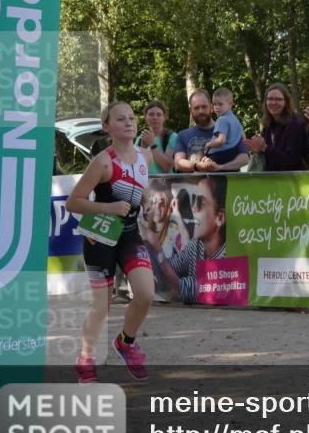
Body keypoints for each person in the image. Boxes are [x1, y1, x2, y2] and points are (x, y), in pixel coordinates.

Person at [66, 101, 155, 383]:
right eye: (120, 119)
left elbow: (139, 191)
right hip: (100, 237)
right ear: (107, 127)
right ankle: (86, 359)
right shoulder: (103, 162)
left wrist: (147, 203)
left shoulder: (146, 156)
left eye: (131, 118)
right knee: (101, 307)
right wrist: (109, 208)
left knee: (145, 293)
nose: (129, 122)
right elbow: (73, 203)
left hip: (129, 234)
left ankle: (126, 342)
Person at [148, 177, 227, 305]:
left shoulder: (227, 257)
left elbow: (181, 288)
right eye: (193, 200)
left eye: (201, 202)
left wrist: (158, 251)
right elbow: (171, 269)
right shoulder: (196, 245)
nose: (193, 208)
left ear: (219, 217)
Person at [173, 89, 249, 173]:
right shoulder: (183, 135)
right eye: (196, 108)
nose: (200, 111)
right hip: (196, 185)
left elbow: (244, 158)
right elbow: (178, 163)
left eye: (204, 107)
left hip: (229, 184)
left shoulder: (229, 127)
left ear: (211, 107)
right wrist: (197, 166)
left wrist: (220, 167)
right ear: (191, 111)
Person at [244, 82, 309, 171]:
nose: (273, 102)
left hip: (293, 181)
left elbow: (291, 161)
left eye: (278, 99)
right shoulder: (267, 126)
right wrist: (258, 150)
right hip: (273, 181)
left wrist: (265, 148)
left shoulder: (295, 125)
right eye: (270, 99)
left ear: (286, 102)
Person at [202, 87, 244, 162]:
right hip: (233, 153)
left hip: (219, 154)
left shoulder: (222, 120)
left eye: (220, 104)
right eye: (215, 104)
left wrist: (208, 144)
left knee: (201, 165)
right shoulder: (235, 119)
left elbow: (221, 140)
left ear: (230, 104)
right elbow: (243, 136)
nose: (217, 107)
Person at [139, 99, 177, 174]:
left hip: (165, 184)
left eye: (159, 114)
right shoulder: (140, 138)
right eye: (151, 114)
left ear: (165, 117)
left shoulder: (171, 137)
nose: (155, 118)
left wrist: (152, 144)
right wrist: (142, 147)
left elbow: (167, 166)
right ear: (145, 117)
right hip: (145, 184)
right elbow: (137, 165)